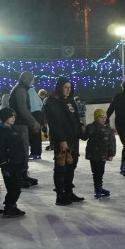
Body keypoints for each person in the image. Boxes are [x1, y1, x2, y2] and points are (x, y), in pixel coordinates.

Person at [45, 77, 85, 205]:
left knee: (72, 165)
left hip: (73, 138)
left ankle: (68, 191)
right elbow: (55, 123)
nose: (69, 90)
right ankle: (60, 195)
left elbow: (74, 118)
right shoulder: (53, 101)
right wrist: (62, 140)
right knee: (61, 166)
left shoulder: (70, 100)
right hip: (62, 140)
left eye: (70, 88)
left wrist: (81, 130)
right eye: (66, 88)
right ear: (60, 87)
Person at [0, 108, 28, 217]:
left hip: (17, 162)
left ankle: (11, 205)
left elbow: (20, 147)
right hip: (8, 164)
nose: (14, 118)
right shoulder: (0, 131)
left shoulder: (14, 129)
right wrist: (3, 163)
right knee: (13, 187)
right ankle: (9, 207)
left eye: (14, 116)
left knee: (17, 186)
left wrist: (23, 161)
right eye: (11, 116)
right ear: (5, 117)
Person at [84, 109, 117, 198]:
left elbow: (112, 142)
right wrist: (83, 129)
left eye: (104, 117)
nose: (103, 119)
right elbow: (84, 137)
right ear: (96, 118)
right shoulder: (91, 127)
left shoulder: (108, 129)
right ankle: (97, 189)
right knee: (96, 172)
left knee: (101, 172)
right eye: (101, 117)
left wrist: (111, 154)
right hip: (93, 154)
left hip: (103, 154)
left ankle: (99, 187)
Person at [9, 71, 40, 165]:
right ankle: (22, 173)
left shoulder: (21, 89)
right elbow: (22, 108)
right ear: (27, 79)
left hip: (20, 123)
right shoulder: (21, 90)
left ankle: (23, 173)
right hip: (20, 124)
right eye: (32, 79)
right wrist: (33, 121)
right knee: (23, 149)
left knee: (22, 148)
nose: (33, 82)